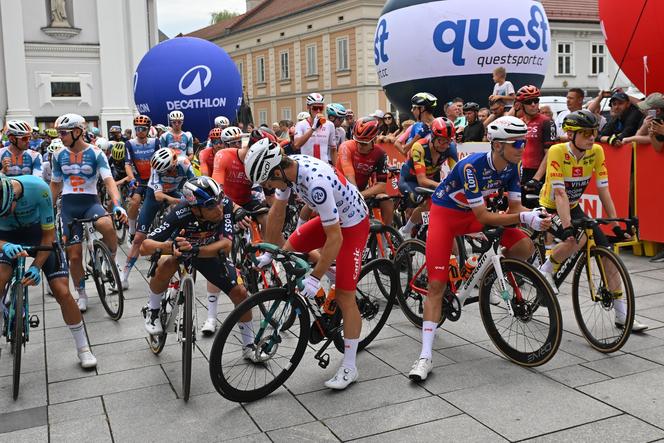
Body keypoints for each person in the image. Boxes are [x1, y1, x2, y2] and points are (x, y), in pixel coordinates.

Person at [408, 116, 551, 381]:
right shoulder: (471, 167)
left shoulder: (512, 168)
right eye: (516, 143)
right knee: (437, 286)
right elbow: (485, 217)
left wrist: (537, 215)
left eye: (524, 141)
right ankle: (425, 356)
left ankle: (488, 273)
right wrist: (522, 218)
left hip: (472, 214)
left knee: (524, 244)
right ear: (497, 146)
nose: (522, 147)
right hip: (446, 216)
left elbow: (517, 210)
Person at [245, 138, 370, 390]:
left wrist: (315, 277)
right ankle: (333, 273)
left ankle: (349, 367)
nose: (268, 187)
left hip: (353, 224)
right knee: (289, 248)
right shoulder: (288, 172)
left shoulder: (316, 185)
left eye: (269, 182)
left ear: (277, 170)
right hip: (330, 217)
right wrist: (271, 253)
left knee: (346, 297)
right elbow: (277, 213)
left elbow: (335, 238)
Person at [537, 110, 648, 331]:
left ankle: (622, 316)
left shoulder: (596, 151)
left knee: (608, 255)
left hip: (574, 206)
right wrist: (567, 227)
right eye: (586, 133)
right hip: (550, 206)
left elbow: (603, 190)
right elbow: (560, 195)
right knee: (572, 240)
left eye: (594, 132)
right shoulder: (558, 151)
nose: (592, 137)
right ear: (571, 135)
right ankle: (545, 271)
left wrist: (615, 225)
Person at [0, 175, 97, 368]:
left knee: (62, 291)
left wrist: (36, 267)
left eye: (6, 211)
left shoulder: (39, 189)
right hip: (5, 236)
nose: (5, 215)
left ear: (14, 197)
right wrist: (4, 246)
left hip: (39, 233)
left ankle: (83, 347)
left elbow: (48, 236)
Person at [139, 177, 252, 341]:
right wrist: (170, 248)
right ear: (195, 208)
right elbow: (144, 247)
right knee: (166, 262)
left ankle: (249, 346)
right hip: (178, 252)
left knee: (240, 292)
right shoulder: (180, 212)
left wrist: (195, 250)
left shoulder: (224, 205)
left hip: (205, 252)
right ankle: (153, 310)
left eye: (219, 201)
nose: (219, 209)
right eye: (210, 206)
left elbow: (226, 246)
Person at [50, 113, 127, 311]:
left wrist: (117, 204)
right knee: (74, 256)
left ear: (77, 132)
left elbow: (108, 180)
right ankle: (81, 293)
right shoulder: (58, 154)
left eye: (64, 133)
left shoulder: (96, 153)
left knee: (106, 224)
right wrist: (48, 209)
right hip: (69, 205)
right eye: (59, 133)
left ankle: (111, 258)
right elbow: (55, 184)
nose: (61, 137)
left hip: (90, 201)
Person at [120, 148, 194, 289]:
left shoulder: (184, 163)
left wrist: (186, 199)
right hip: (153, 194)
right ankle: (125, 275)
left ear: (174, 163)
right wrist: (178, 202)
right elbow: (158, 196)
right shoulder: (156, 169)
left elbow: (194, 182)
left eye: (167, 170)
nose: (165, 174)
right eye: (162, 172)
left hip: (174, 191)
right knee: (138, 238)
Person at [398, 117, 458, 240]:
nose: (444, 145)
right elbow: (422, 181)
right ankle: (405, 230)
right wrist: (446, 186)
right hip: (411, 179)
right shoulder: (419, 147)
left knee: (438, 202)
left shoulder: (450, 148)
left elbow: (457, 172)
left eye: (448, 141)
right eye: (441, 141)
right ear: (433, 137)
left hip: (431, 177)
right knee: (421, 200)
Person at [337, 117, 394, 226]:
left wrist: (361, 195)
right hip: (341, 190)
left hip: (361, 192)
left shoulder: (380, 154)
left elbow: (382, 186)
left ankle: (385, 236)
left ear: (374, 140)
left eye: (363, 144)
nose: (359, 146)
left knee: (387, 201)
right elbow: (349, 175)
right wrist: (356, 195)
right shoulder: (346, 146)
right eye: (357, 141)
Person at [513, 85, 558, 204]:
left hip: (538, 173)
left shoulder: (546, 122)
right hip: (519, 172)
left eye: (536, 100)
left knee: (537, 214)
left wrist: (536, 178)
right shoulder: (518, 122)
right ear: (521, 104)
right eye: (529, 101)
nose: (533, 104)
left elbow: (549, 153)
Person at [123, 115, 159, 243]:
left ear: (148, 129)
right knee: (134, 202)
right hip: (139, 179)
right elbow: (127, 164)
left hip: (155, 177)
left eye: (143, 129)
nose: (140, 131)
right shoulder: (130, 144)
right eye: (137, 128)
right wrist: (132, 179)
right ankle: (132, 231)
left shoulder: (155, 142)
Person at [293, 93, 337, 164]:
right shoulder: (301, 124)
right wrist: (313, 128)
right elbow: (297, 145)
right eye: (315, 108)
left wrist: (336, 170)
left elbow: (333, 150)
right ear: (308, 107)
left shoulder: (330, 125)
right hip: (307, 166)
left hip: (323, 165)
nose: (318, 111)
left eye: (321, 108)